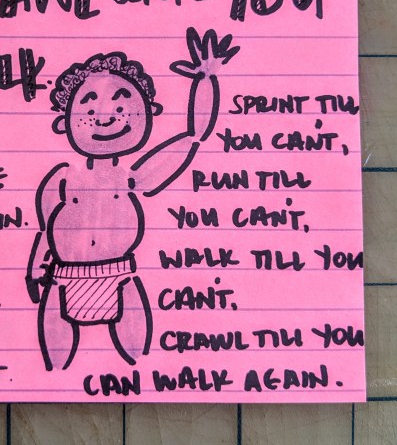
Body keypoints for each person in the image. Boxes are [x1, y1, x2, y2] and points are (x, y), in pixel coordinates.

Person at [26, 27, 240, 371]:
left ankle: (140, 373)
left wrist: (205, 80)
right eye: (88, 106)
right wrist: (35, 269)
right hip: (64, 279)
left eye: (121, 104)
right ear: (64, 121)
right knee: (55, 353)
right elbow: (44, 228)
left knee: (136, 353)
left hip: (120, 277)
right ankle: (50, 378)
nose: (105, 115)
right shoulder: (62, 178)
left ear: (147, 114)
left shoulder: (132, 178)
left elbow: (192, 138)